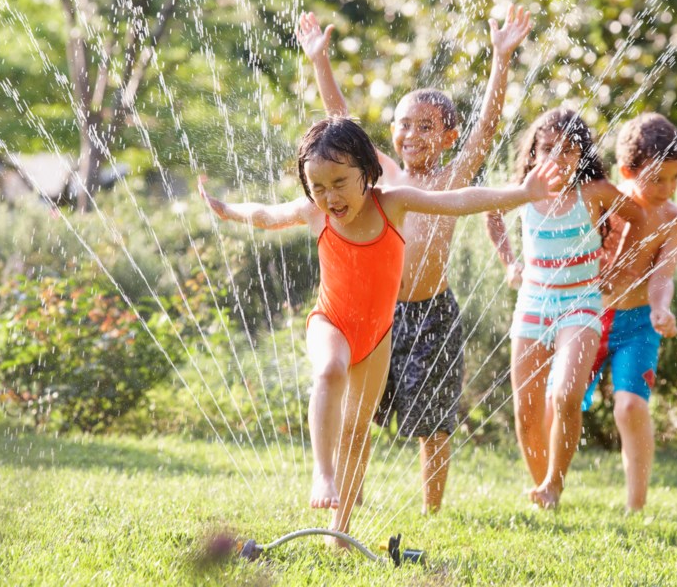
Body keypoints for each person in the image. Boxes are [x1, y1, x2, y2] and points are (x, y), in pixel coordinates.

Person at [200, 117, 560, 543]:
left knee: (356, 430)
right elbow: (264, 215)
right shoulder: (315, 213)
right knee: (330, 369)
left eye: (339, 182)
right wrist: (227, 210)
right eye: (317, 187)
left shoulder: (393, 203)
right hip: (330, 321)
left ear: (367, 172)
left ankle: (340, 530)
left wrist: (523, 193)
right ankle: (322, 474)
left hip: (377, 337)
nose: (330, 197)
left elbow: (460, 199)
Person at [296, 4, 533, 514]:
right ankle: (346, 495)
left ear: (449, 137)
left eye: (427, 127)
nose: (411, 136)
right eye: (404, 125)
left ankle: (431, 509)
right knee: (357, 412)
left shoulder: (448, 179)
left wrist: (501, 59)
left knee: (434, 419)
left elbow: (487, 128)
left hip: (432, 312)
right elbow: (340, 127)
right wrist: (321, 64)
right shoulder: (379, 176)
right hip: (374, 315)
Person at [486, 107, 645, 509]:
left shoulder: (594, 194)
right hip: (534, 303)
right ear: (534, 152)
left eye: (569, 150)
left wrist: (618, 267)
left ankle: (555, 483)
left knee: (566, 395)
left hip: (581, 305)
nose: (558, 158)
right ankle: (542, 488)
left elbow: (638, 218)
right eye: (548, 149)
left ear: (582, 155)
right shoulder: (523, 191)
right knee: (526, 406)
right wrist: (510, 262)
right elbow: (490, 212)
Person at [580, 112, 677, 512]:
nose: (668, 188)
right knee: (565, 399)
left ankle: (635, 506)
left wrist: (661, 308)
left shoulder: (674, 219)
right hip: (590, 316)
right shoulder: (607, 204)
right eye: (658, 179)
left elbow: (663, 274)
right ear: (627, 170)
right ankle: (550, 484)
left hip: (638, 322)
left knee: (630, 406)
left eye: (675, 178)